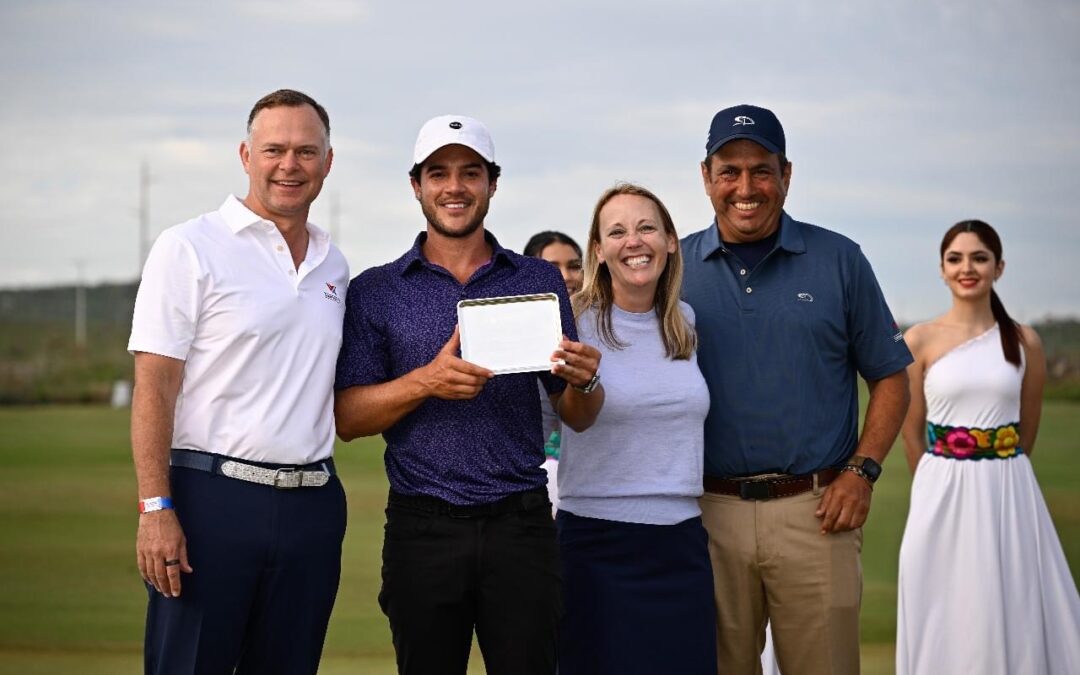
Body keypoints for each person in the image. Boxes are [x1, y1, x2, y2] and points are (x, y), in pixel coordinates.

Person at [334, 115, 603, 675]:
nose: (454, 187)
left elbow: (576, 413)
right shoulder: (376, 290)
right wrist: (426, 382)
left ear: (492, 184)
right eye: (438, 173)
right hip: (422, 526)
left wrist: (587, 380)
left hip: (522, 525)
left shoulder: (537, 279)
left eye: (470, 173)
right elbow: (349, 417)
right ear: (417, 185)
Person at [680, 103, 912, 675]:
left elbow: (890, 375)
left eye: (761, 169)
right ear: (706, 177)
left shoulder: (839, 260)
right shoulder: (671, 266)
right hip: (705, 516)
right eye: (728, 171)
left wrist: (863, 471)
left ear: (786, 174)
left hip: (817, 511)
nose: (745, 187)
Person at [129, 89, 347, 675]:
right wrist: (156, 508)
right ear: (246, 154)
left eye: (306, 151)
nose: (289, 165)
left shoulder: (334, 264)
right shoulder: (189, 247)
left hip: (313, 506)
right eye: (274, 149)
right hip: (212, 502)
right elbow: (154, 384)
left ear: (328, 162)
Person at [895, 220, 1080, 674]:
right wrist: (937, 485)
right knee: (940, 600)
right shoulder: (919, 340)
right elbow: (911, 431)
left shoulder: (1024, 341)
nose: (967, 268)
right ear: (941, 269)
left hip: (1008, 488)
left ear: (999, 267)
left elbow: (1027, 430)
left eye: (979, 257)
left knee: (1008, 597)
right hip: (939, 490)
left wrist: (997, 471)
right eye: (955, 258)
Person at [556, 183, 715, 674]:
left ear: (670, 241)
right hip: (595, 546)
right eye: (617, 232)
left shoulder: (685, 323)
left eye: (647, 227)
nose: (634, 241)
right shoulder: (573, 325)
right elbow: (559, 421)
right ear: (599, 251)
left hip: (681, 544)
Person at [523, 230, 585, 511]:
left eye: (574, 266)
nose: (567, 276)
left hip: (593, 477)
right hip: (536, 476)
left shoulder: (600, 332)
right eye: (552, 268)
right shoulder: (513, 337)